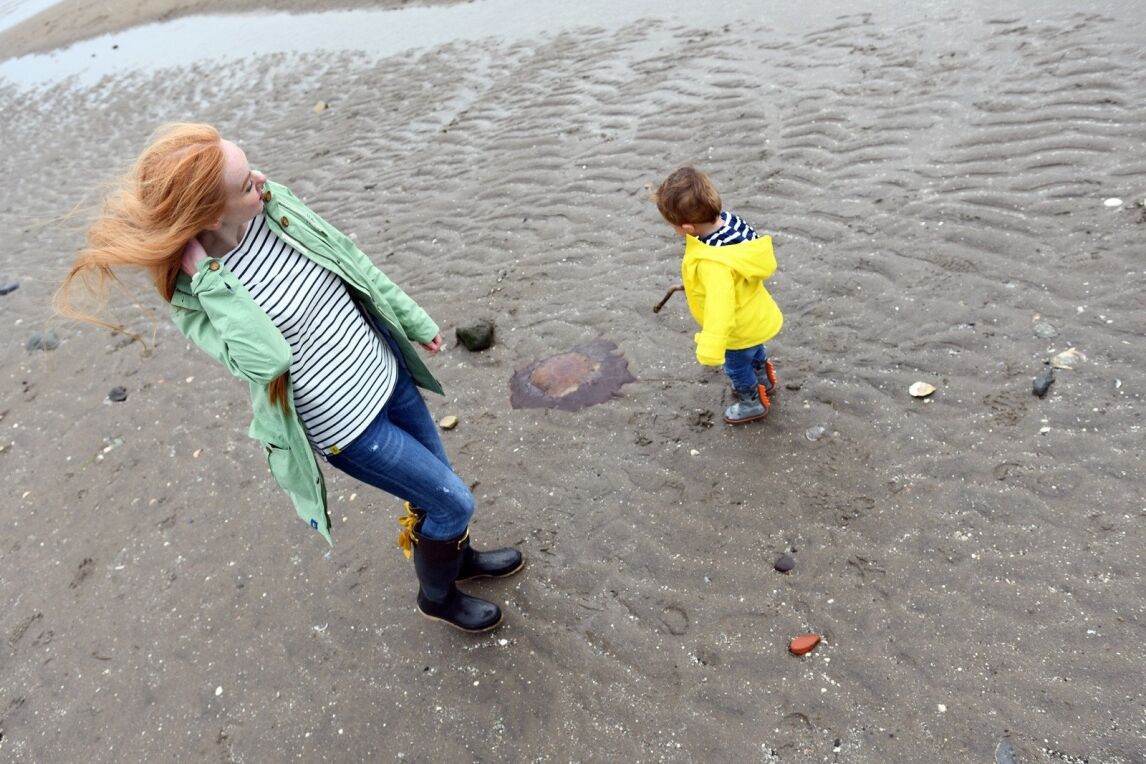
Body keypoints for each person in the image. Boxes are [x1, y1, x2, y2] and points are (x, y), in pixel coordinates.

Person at [55, 123, 523, 633]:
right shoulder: (195, 298)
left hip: (388, 376)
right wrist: (212, 280)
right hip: (349, 428)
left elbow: (349, 258)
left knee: (439, 492)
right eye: (245, 184)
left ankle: (458, 556)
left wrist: (411, 319)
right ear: (210, 214)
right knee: (454, 500)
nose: (261, 178)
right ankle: (438, 595)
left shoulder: (274, 209)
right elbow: (265, 360)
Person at [653, 166, 783, 424]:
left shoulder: (713, 263)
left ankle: (752, 403)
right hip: (755, 315)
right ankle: (764, 380)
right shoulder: (731, 223)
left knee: (736, 367)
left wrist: (711, 346)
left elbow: (719, 308)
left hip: (736, 330)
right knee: (755, 351)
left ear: (687, 228)